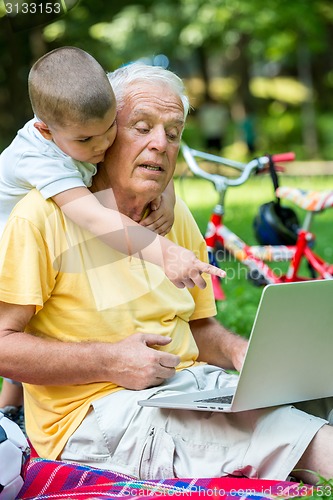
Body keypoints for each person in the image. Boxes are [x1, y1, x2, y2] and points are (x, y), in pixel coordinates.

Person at [0, 62, 332, 485]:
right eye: (142, 127)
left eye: (173, 133)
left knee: (317, 394)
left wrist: (238, 352)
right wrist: (109, 360)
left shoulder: (169, 215)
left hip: (190, 388)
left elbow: (199, 327)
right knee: (295, 437)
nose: (160, 144)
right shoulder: (42, 216)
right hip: (95, 416)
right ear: (105, 135)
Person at [0, 48, 225, 424]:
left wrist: (165, 194)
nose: (102, 147)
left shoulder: (77, 132)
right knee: (22, 321)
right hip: (9, 241)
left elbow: (155, 156)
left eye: (110, 132)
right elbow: (92, 215)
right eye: (138, 127)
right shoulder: (41, 162)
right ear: (45, 130)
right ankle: (12, 414)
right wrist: (163, 252)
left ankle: (13, 411)